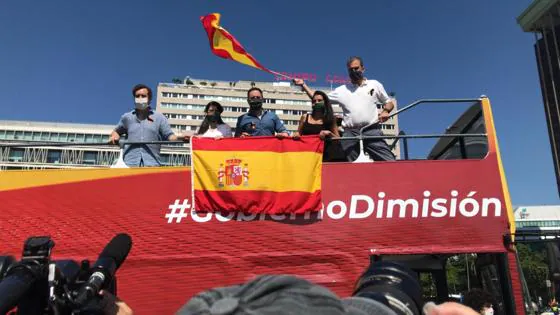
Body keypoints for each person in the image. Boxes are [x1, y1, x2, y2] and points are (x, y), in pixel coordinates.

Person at [294, 56, 396, 162]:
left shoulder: (374, 84)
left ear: (363, 69)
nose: (353, 71)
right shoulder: (341, 90)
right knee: (350, 166)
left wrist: (385, 111)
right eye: (350, 69)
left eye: (356, 68)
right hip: (350, 134)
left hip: (371, 130)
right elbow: (319, 99)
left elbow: (389, 103)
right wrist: (303, 85)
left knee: (389, 162)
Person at [109, 84, 187, 167]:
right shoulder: (127, 117)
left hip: (152, 164)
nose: (140, 98)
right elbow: (116, 131)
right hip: (129, 164)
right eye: (137, 96)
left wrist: (182, 138)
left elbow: (169, 135)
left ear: (149, 99)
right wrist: (114, 136)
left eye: (143, 96)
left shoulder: (159, 117)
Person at [293, 91, 345, 162]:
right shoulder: (305, 117)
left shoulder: (331, 119)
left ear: (325, 102)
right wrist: (296, 134)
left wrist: (329, 133)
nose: (316, 102)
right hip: (308, 155)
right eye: (314, 101)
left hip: (325, 156)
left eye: (319, 100)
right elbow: (298, 133)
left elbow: (338, 139)